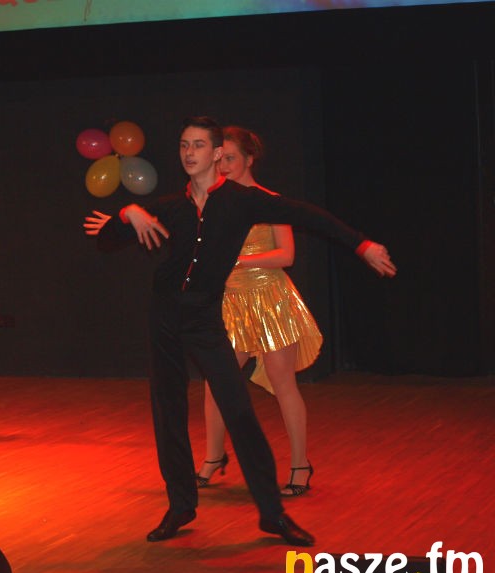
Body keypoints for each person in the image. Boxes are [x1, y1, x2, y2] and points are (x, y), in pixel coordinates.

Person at [84, 116, 395, 545]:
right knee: (168, 411)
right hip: (165, 316)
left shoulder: (243, 202)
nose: (189, 152)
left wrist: (361, 243)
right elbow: (106, 240)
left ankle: (272, 514)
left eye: (198, 145)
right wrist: (128, 212)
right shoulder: (170, 205)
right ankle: (180, 506)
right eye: (183, 145)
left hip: (205, 319)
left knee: (239, 411)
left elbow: (309, 216)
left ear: (217, 154)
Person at [196, 126, 321, 497]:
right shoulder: (212, 203)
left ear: (249, 159)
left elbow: (287, 254)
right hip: (230, 304)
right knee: (215, 383)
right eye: (219, 159)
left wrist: (239, 259)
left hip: (271, 302)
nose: (223, 165)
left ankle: (300, 465)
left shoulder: (269, 201)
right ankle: (213, 457)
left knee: (283, 384)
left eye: (230, 158)